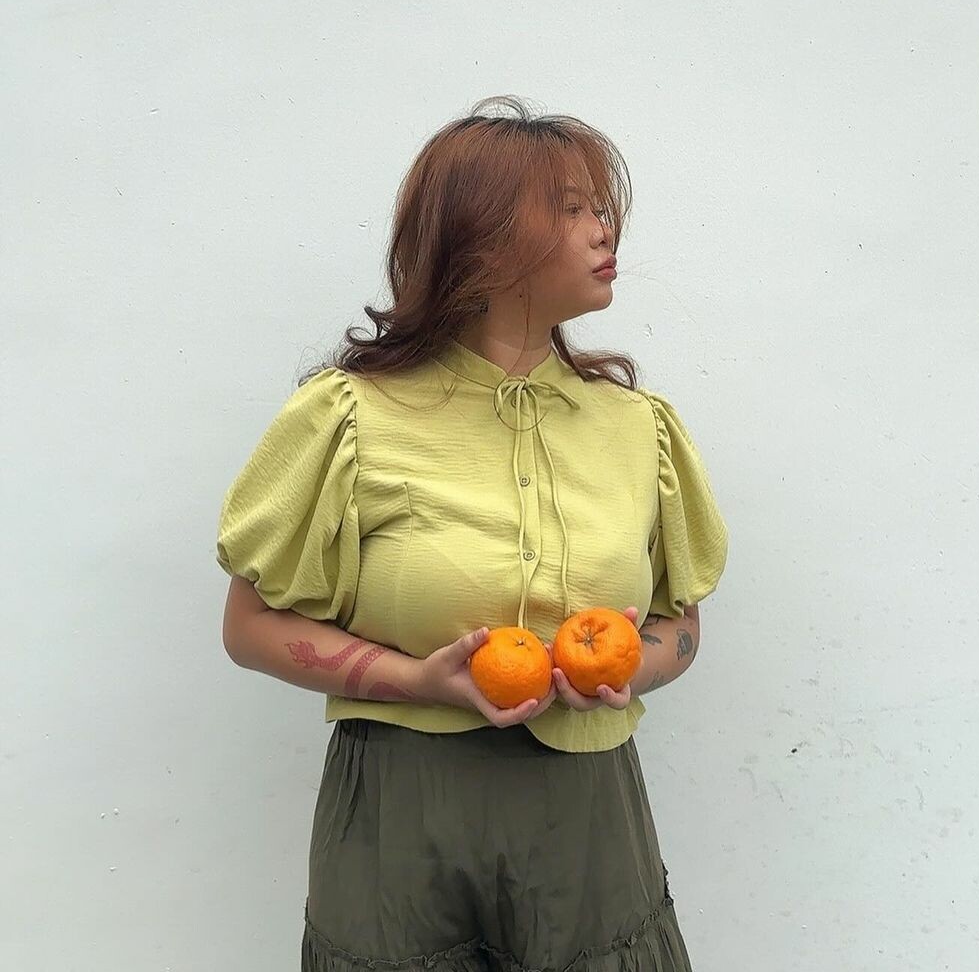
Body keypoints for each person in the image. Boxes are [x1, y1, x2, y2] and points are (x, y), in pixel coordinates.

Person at [214, 95, 729, 971]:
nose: (604, 228)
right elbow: (249, 627)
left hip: (588, 816)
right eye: (571, 208)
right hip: (399, 817)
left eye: (601, 207)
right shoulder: (349, 418)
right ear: (481, 239)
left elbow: (679, 625)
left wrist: (634, 667)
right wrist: (416, 679)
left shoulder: (636, 428)